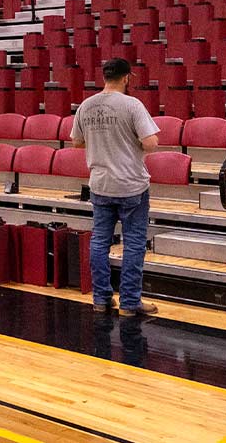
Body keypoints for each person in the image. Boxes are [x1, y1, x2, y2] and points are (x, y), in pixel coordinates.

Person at [71, 58, 160, 317]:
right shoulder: (132, 105)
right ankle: (130, 302)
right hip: (131, 184)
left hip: (100, 184)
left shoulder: (86, 106)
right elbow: (151, 143)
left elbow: (76, 142)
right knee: (133, 244)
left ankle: (101, 298)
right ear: (126, 78)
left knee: (99, 242)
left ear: (105, 77)